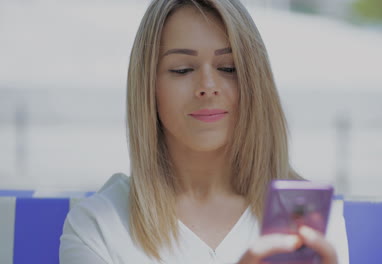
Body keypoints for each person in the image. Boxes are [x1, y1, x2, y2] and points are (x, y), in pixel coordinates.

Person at [59, 0, 349, 263]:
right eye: (183, 69)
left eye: (229, 68)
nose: (208, 85)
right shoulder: (96, 227)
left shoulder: (310, 220)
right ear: (148, 88)